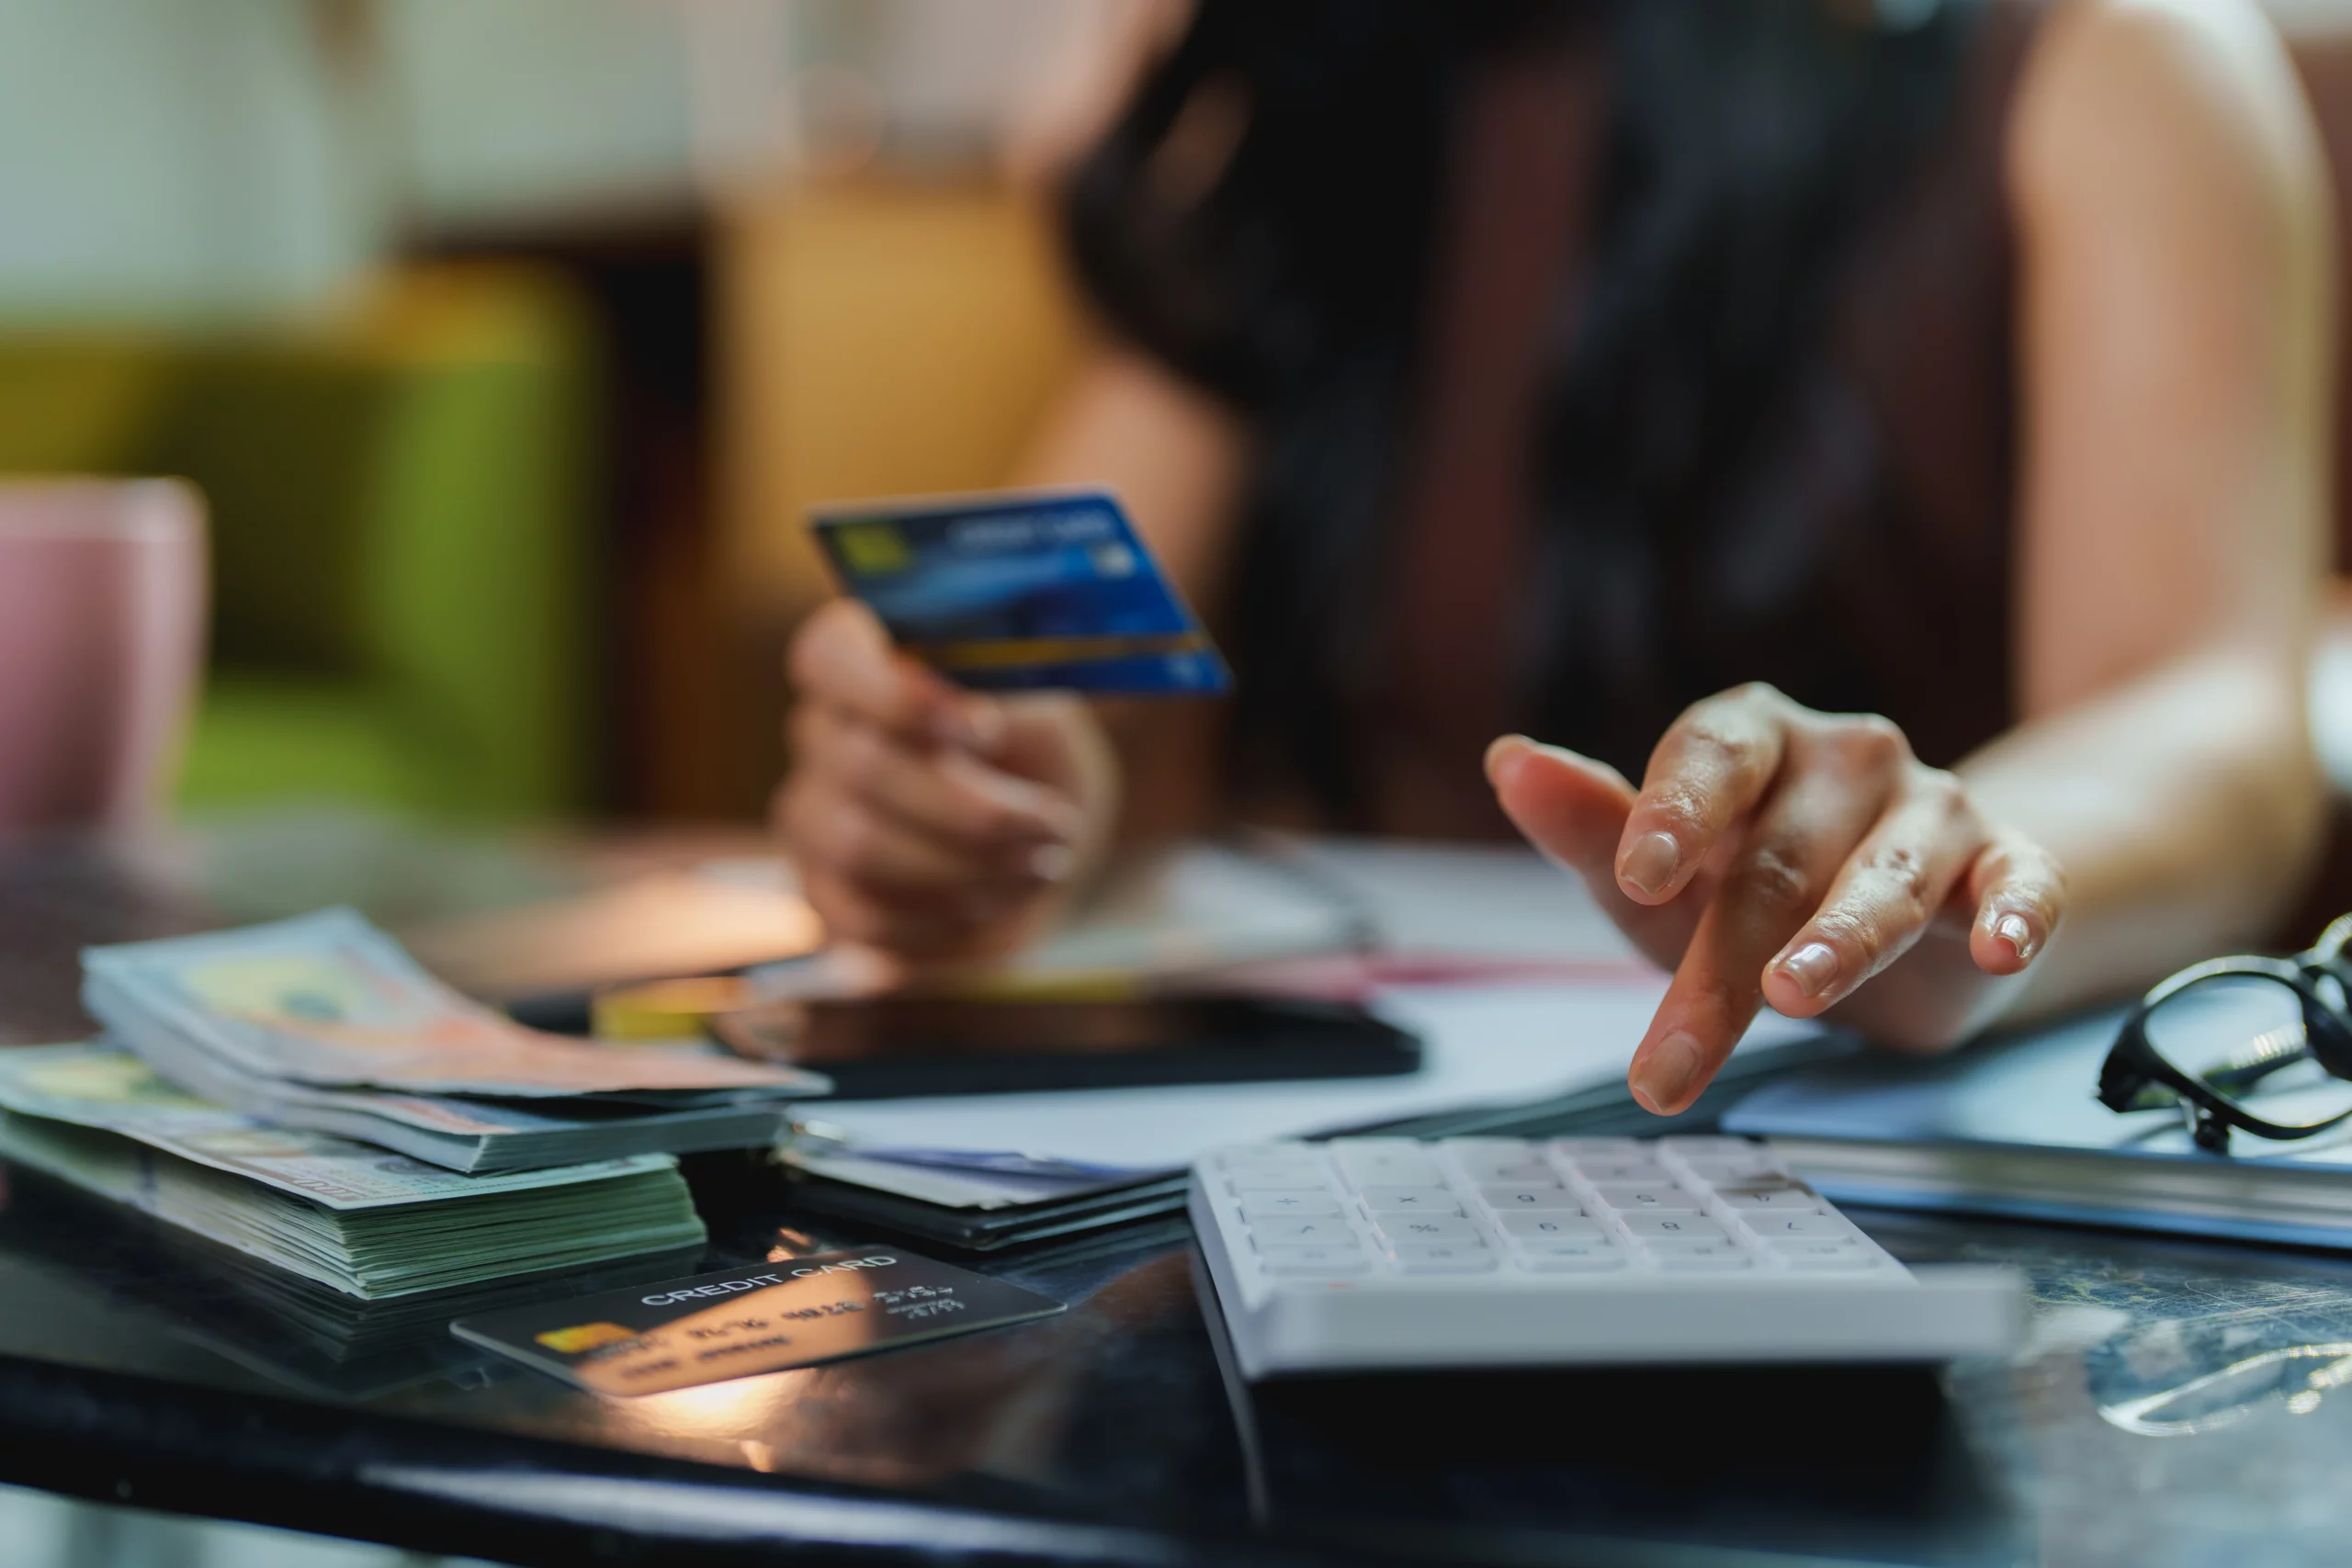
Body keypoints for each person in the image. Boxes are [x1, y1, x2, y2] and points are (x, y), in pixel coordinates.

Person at [777, 0, 2335, 1117]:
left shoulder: (2121, 63)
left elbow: (2211, 719)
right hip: (1342, 1154)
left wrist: (1931, 870)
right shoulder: (1315, 72)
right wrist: (977, 771)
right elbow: (1082, 656)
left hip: (1874, 1154)